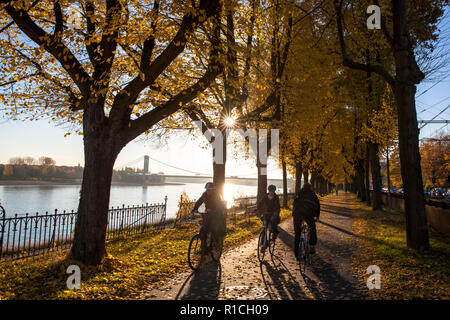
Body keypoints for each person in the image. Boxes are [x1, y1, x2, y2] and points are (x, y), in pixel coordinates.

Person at [191, 182, 227, 247]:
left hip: (217, 213)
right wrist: (195, 209)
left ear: (213, 190)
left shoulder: (216, 195)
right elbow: (199, 201)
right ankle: (203, 247)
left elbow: (219, 205)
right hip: (208, 213)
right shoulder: (204, 194)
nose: (208, 191)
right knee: (203, 229)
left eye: (209, 190)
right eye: (207, 189)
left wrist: (213, 210)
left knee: (214, 227)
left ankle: (217, 242)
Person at [292, 183, 320, 257]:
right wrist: (317, 216)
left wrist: (294, 214)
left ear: (303, 187)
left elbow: (294, 203)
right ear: (310, 187)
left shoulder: (299, 193)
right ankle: (312, 246)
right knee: (312, 228)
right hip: (309, 215)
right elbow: (317, 205)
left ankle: (296, 252)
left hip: (297, 214)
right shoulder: (312, 194)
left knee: (297, 233)